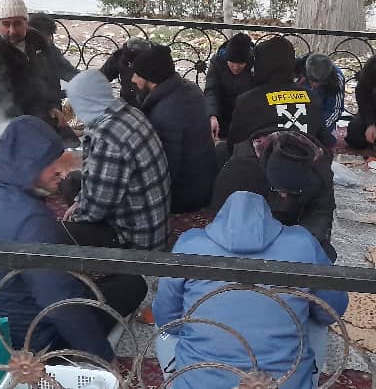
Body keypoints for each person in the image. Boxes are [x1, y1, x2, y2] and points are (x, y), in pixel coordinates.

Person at [0, 116, 147, 360]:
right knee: (131, 284)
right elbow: (61, 306)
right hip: (32, 343)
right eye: (48, 163)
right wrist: (103, 358)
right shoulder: (32, 222)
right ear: (28, 166)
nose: (61, 171)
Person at [153, 167, 348, 389]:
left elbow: (167, 320)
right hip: (280, 383)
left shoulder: (189, 245)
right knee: (314, 319)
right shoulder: (303, 243)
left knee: (164, 323)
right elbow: (331, 312)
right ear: (271, 199)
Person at [62, 69, 170, 251]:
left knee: (60, 233)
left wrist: (76, 215)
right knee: (71, 182)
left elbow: (97, 208)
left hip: (137, 243)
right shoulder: (130, 112)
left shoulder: (108, 137)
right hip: (152, 224)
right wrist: (79, 201)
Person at [214, 131, 336, 261]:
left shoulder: (320, 173)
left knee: (324, 252)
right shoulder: (243, 166)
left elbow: (321, 213)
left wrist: (301, 243)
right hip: (251, 228)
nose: (284, 196)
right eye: (277, 189)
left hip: (292, 230)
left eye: (293, 191)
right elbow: (229, 215)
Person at [131, 45, 217, 214]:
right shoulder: (191, 88)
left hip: (184, 196)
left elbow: (167, 168)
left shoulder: (165, 112)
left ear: (151, 78)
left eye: (138, 74)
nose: (133, 79)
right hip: (205, 183)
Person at [0, 0, 76, 132]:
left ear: (26, 22)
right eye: (6, 24)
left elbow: (60, 67)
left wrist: (84, 82)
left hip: (48, 110)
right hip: (14, 120)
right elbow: (5, 98)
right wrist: (46, 111)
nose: (12, 31)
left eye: (17, 23)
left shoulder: (37, 38)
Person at [227, 36, 331, 147]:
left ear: (260, 64)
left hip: (261, 157)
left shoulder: (248, 100)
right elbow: (325, 141)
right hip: (305, 156)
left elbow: (234, 144)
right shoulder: (313, 98)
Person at [204, 33, 255, 141]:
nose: (236, 68)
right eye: (232, 63)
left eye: (241, 64)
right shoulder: (217, 62)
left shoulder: (256, 64)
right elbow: (212, 90)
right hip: (221, 114)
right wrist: (212, 116)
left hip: (246, 117)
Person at [294, 53, 345, 144]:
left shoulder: (337, 78)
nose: (315, 85)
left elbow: (335, 110)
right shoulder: (295, 71)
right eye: (312, 80)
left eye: (320, 82)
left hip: (320, 119)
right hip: (295, 115)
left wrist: (319, 127)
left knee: (327, 140)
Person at [100, 36, 151, 108]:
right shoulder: (120, 56)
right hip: (126, 102)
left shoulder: (156, 61)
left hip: (149, 104)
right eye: (129, 63)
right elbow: (101, 77)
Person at [28, 12, 80, 81]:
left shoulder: (50, 50)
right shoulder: (19, 53)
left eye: (49, 35)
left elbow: (69, 71)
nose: (48, 39)